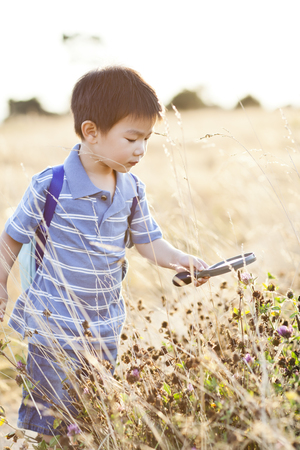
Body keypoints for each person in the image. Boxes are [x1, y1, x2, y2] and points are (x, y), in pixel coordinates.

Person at [0, 66, 208, 444]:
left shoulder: (132, 190)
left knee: (92, 418)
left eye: (146, 139)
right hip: (52, 330)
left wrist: (183, 260)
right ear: (91, 132)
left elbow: (149, 242)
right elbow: (11, 239)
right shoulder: (51, 185)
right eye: (131, 138)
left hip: (104, 330)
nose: (141, 150)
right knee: (48, 423)